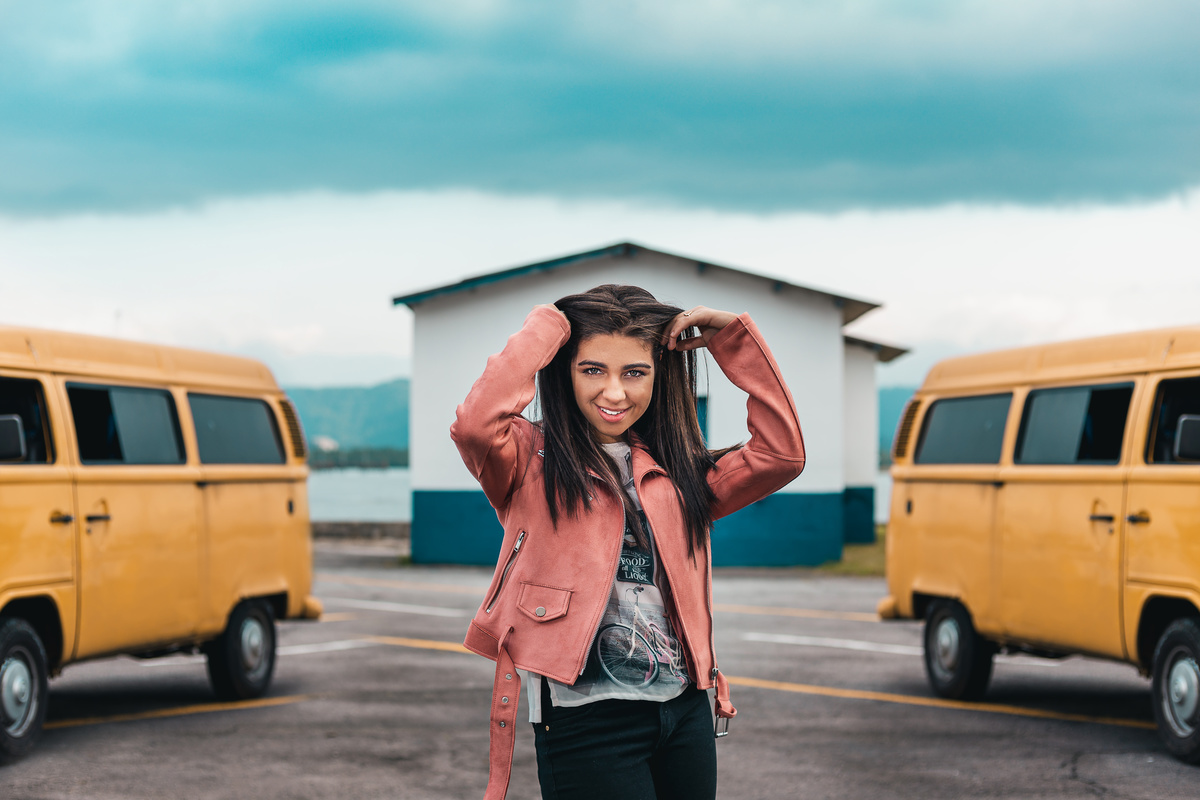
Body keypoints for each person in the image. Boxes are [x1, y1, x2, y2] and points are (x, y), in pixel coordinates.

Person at [451, 284, 806, 800]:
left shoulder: (682, 470)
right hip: (584, 716)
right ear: (564, 369)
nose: (614, 393)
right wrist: (549, 326)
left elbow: (782, 455)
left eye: (634, 372)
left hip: (683, 709)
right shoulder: (528, 459)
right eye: (592, 369)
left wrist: (732, 340)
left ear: (659, 377)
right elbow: (474, 426)